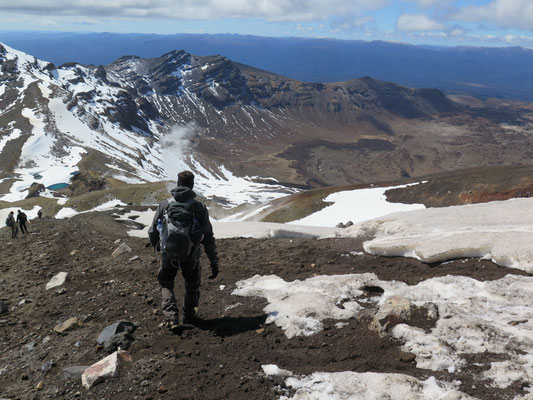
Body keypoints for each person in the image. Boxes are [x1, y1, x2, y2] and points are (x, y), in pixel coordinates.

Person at [148, 170, 219, 331]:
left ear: (178, 183)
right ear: (192, 185)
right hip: (190, 254)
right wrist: (214, 261)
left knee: (166, 282)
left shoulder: (165, 204)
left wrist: (158, 247)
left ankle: (172, 317)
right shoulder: (198, 207)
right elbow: (208, 236)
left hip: (168, 252)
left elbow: (152, 231)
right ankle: (189, 316)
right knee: (192, 284)